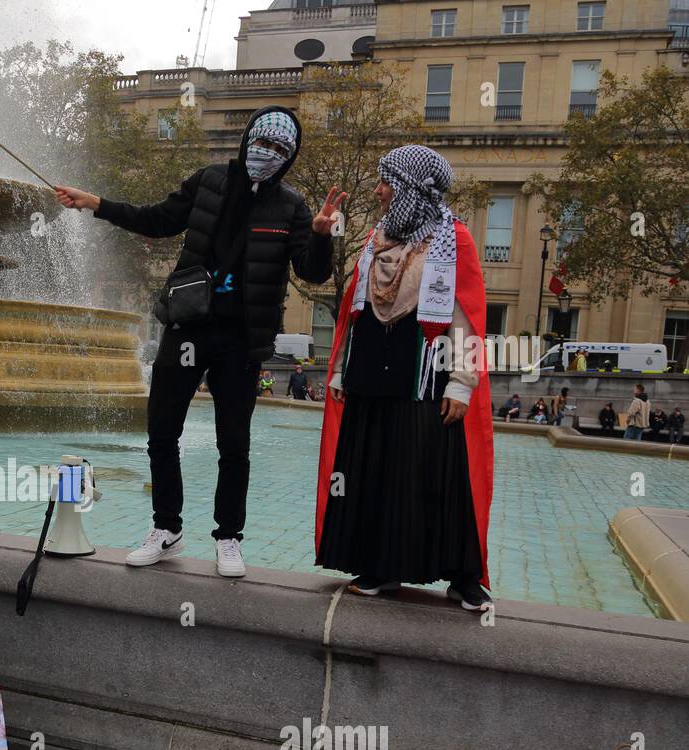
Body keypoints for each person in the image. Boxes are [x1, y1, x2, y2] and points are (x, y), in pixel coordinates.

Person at [55, 106, 341, 578]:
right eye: (262, 142)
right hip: (188, 327)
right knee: (162, 433)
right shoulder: (208, 181)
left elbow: (311, 271)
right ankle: (166, 528)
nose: (266, 154)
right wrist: (97, 203)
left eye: (278, 150)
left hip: (242, 342)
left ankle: (229, 537)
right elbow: (158, 220)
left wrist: (320, 237)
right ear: (248, 138)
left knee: (235, 444)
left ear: (288, 158)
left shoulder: (292, 207)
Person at [316, 144, 494, 612]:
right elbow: (354, 310)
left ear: (411, 188)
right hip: (369, 374)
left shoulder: (453, 238)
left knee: (432, 475)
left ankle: (462, 576)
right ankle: (378, 569)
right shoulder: (377, 238)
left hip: (423, 378)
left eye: (386, 182)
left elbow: (467, 316)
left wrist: (462, 381)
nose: (378, 191)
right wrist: (338, 370)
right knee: (371, 471)